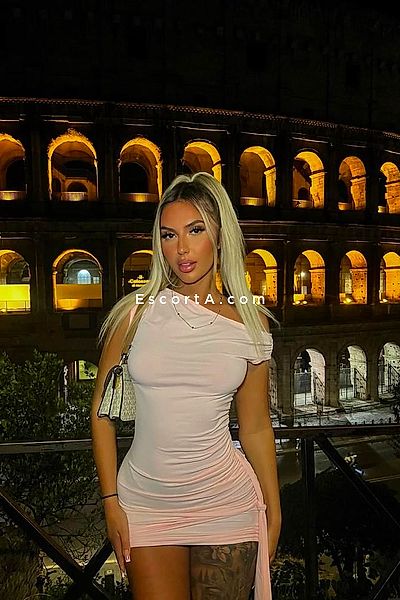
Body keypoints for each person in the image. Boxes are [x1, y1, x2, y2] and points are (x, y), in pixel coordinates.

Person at [91, 172, 281, 600]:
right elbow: (101, 415)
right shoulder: (134, 314)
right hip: (146, 505)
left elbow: (255, 427)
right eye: (168, 234)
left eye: (195, 230)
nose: (181, 248)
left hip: (227, 503)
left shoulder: (250, 322)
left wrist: (274, 507)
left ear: (220, 236)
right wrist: (110, 501)